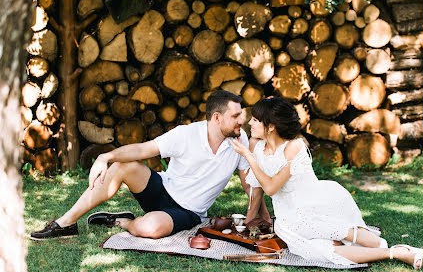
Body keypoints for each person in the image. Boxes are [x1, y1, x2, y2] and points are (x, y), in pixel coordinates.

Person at [31, 90, 270, 240]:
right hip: (162, 189)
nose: (243, 120)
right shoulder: (185, 135)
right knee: (124, 165)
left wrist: (266, 219)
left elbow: (249, 184)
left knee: (152, 228)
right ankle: (66, 223)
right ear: (217, 118)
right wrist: (106, 157)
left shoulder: (240, 140)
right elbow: (142, 149)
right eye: (236, 116)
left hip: (188, 211)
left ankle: (123, 221)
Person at [229, 97, 423, 269]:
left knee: (374, 243)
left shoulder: (294, 147)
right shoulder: (258, 145)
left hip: (317, 204)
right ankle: (395, 252)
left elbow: (271, 188)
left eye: (255, 120)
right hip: (288, 219)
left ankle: (377, 245)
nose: (250, 123)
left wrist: (247, 156)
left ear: (270, 126)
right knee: (322, 252)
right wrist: (245, 223)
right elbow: (257, 190)